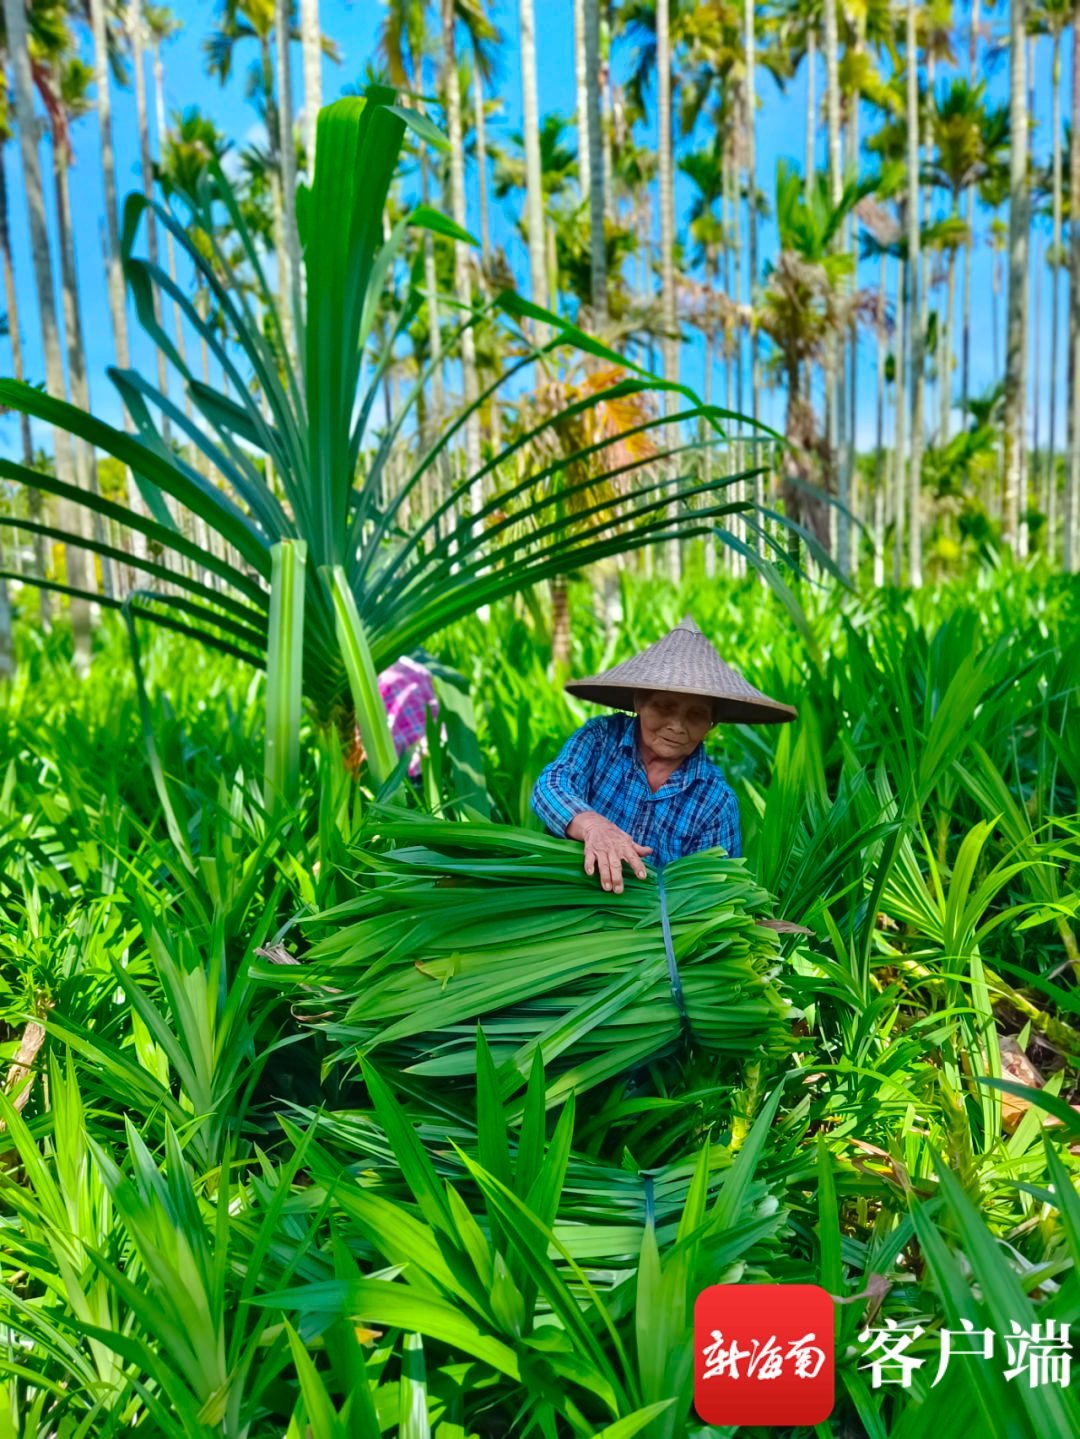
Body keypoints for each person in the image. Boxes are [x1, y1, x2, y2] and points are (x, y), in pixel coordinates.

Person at [530, 614, 797, 893]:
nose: (677, 726)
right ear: (639, 702)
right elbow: (550, 786)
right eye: (665, 707)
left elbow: (712, 894)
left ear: (711, 725)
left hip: (652, 929)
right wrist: (594, 826)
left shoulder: (715, 803)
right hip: (565, 898)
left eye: (696, 715)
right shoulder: (600, 739)